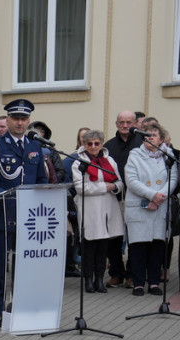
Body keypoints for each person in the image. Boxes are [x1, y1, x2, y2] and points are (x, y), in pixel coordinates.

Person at [0, 99, 48, 327]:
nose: (20, 122)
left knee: (25, 266)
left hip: (29, 219)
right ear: (7, 120)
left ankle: (23, 306)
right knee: (0, 267)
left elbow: (42, 180)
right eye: (15, 118)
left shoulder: (35, 146)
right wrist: (2, 194)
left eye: (24, 118)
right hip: (2, 215)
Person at [124, 122, 177, 296]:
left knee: (157, 247)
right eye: (147, 135)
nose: (150, 138)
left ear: (161, 138)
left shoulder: (168, 156)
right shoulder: (135, 155)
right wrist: (152, 195)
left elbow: (173, 179)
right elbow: (131, 180)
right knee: (139, 247)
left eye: (154, 135)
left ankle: (154, 283)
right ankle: (138, 283)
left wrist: (159, 197)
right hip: (140, 206)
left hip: (160, 207)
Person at [72, 129, 124, 293]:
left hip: (108, 207)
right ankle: (88, 279)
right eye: (90, 143)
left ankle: (100, 279)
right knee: (89, 246)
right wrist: (105, 187)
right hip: (90, 208)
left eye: (97, 143)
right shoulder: (78, 162)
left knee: (103, 246)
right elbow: (80, 188)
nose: (93, 146)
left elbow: (120, 183)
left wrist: (114, 186)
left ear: (101, 143)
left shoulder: (109, 160)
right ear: (84, 144)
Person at [104, 110, 142, 287]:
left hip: (137, 198)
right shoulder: (109, 146)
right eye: (122, 122)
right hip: (115, 197)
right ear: (116, 124)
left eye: (129, 122)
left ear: (135, 123)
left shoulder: (143, 143)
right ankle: (116, 273)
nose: (125, 126)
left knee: (135, 238)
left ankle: (132, 275)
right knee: (114, 238)